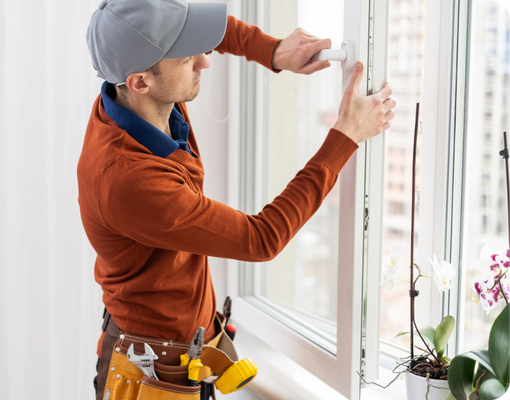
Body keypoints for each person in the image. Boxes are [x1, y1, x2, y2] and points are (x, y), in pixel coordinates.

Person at [79, 0, 395, 399]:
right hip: (151, 379)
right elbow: (260, 238)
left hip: (186, 357)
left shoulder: (135, 102)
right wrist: (344, 136)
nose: (204, 62)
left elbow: (216, 32)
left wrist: (273, 51)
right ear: (140, 81)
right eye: (187, 57)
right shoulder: (128, 180)